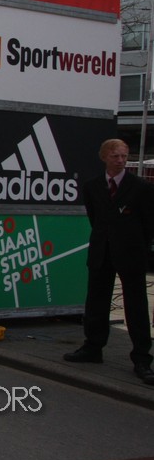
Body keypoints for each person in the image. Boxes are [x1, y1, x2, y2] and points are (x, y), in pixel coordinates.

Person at [64, 139, 154, 384]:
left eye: (124, 156)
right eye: (115, 156)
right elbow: (95, 218)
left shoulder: (141, 188)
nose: (121, 160)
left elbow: (148, 223)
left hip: (131, 253)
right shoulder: (93, 186)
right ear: (104, 157)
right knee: (96, 301)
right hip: (101, 251)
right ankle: (93, 347)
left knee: (136, 305)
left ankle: (142, 358)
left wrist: (138, 247)